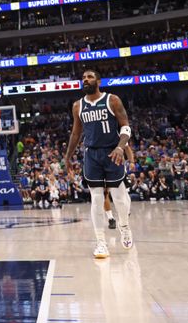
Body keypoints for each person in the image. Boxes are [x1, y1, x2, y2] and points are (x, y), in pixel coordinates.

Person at [64, 69, 134, 259]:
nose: (85, 80)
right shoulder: (78, 105)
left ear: (98, 81)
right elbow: (76, 134)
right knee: (96, 199)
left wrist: (121, 147)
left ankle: (125, 226)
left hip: (113, 152)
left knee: (119, 199)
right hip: (92, 154)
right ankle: (101, 243)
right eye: (83, 77)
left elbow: (126, 127)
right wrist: (68, 156)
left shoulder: (112, 100)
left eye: (89, 77)